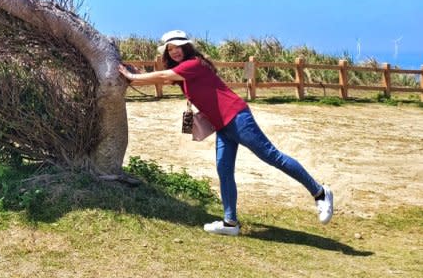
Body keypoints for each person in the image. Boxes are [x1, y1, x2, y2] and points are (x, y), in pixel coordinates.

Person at [118, 30, 333, 236]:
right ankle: (230, 222)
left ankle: (320, 192)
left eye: (178, 47)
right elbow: (165, 78)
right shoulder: (185, 69)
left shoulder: (194, 64)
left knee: (272, 157)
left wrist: (131, 77)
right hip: (222, 126)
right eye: (170, 48)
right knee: (224, 169)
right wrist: (132, 73)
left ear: (187, 47)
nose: (175, 51)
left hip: (237, 118)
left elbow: (165, 74)